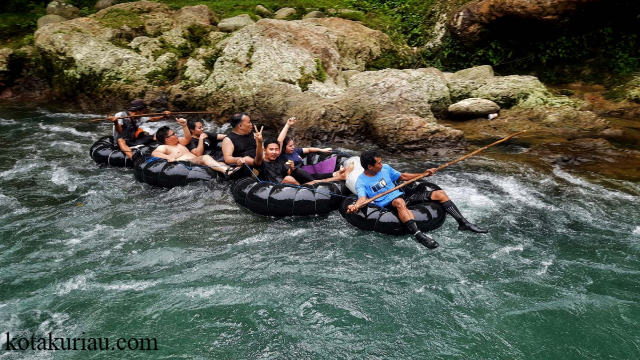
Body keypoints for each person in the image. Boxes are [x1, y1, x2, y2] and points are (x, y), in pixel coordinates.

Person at [346, 150, 487, 249]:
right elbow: (362, 198)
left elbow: (402, 176)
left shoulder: (386, 168)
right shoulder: (361, 182)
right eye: (379, 163)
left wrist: (423, 174)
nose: (382, 164)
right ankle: (419, 235)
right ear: (370, 166)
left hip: (403, 196)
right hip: (388, 204)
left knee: (439, 194)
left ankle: (463, 223)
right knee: (399, 202)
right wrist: (355, 206)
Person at [151, 118, 239, 177]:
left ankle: (231, 171)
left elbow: (187, 138)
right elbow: (155, 153)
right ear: (167, 139)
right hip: (187, 164)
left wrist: (184, 125)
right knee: (206, 157)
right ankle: (227, 171)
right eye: (173, 134)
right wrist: (168, 157)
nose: (176, 134)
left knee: (218, 162)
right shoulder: (164, 147)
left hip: (196, 160)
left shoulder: (179, 142)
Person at [253, 136, 351, 185]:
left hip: (291, 184)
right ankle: (338, 177)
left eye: (276, 149)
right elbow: (257, 157)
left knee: (298, 171)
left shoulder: (279, 160)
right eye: (271, 149)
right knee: (289, 179)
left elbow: (288, 172)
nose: (274, 152)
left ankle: (338, 176)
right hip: (274, 188)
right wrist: (259, 142)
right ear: (265, 150)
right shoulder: (261, 163)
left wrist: (291, 168)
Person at [276, 116, 339, 184]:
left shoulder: (295, 151)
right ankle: (315, 183)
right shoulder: (281, 155)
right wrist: (287, 125)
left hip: (305, 173)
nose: (293, 147)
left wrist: (322, 150)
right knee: (299, 171)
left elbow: (308, 149)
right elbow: (280, 141)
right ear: (283, 148)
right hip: (295, 175)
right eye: (290, 146)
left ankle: (336, 174)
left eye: (293, 145)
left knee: (316, 174)